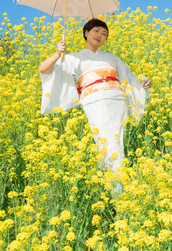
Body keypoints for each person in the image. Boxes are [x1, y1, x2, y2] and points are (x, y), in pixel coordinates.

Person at [39, 18, 151, 198]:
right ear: (86, 33)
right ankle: (116, 193)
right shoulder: (75, 57)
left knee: (119, 142)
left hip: (117, 102)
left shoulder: (111, 58)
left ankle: (119, 190)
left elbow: (128, 76)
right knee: (107, 144)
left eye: (104, 34)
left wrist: (142, 80)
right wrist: (57, 53)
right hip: (95, 103)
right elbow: (44, 70)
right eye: (96, 31)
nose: (100, 35)